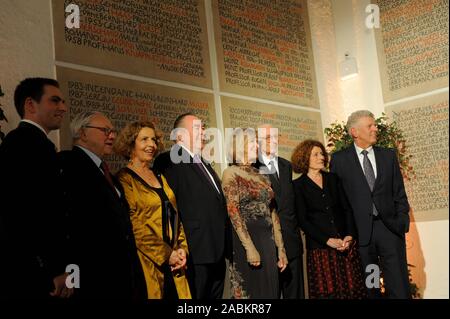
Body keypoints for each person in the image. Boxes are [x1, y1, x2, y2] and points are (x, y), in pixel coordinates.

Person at [58, 111, 146, 299]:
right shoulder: (68, 164)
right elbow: (62, 222)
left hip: (121, 279)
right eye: (105, 130)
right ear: (82, 133)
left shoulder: (108, 175)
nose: (112, 136)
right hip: (91, 280)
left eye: (113, 131)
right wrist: (66, 269)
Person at [0, 78, 72, 299]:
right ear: (30, 105)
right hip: (39, 279)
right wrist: (50, 272)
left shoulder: (40, 145)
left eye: (63, 101)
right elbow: (19, 216)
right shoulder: (21, 145)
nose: (63, 107)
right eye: (55, 100)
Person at [330, 110, 411, 299]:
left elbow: (399, 192)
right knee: (372, 285)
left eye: (375, 125)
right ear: (355, 132)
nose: (375, 128)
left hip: (390, 231)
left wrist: (402, 221)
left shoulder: (388, 156)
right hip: (363, 235)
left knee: (398, 285)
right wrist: (345, 232)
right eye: (370, 126)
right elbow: (338, 201)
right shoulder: (340, 160)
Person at [153, 113, 231, 299]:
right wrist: (175, 246)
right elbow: (169, 207)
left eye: (203, 128)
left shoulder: (203, 163)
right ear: (179, 135)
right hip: (194, 250)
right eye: (197, 128)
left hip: (216, 250)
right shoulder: (169, 160)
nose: (203, 132)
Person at [114, 121, 191, 299]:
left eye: (154, 140)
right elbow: (133, 225)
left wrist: (181, 249)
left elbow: (174, 214)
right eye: (144, 139)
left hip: (175, 265)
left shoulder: (159, 175)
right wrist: (166, 254)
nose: (151, 145)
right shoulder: (125, 179)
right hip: (148, 264)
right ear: (131, 143)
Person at [292, 139, 367, 299]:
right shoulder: (298, 186)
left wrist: (349, 235)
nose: (321, 157)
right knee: (328, 293)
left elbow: (347, 209)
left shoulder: (333, 179)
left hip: (345, 246)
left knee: (353, 291)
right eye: (316, 154)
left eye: (322, 154)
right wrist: (327, 240)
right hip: (320, 250)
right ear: (305, 158)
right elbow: (303, 221)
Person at [222, 128, 288, 299]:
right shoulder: (231, 173)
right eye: (252, 142)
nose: (257, 146)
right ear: (240, 145)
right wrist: (250, 248)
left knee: (271, 292)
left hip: (268, 241)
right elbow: (233, 211)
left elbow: (272, 212)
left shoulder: (262, 175)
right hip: (246, 241)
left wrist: (281, 249)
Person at [255, 124, 305, 299]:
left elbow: (289, 203)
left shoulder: (286, 165)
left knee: (295, 293)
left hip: (291, 240)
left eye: (276, 136)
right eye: (268, 137)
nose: (273, 140)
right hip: (267, 243)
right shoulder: (252, 166)